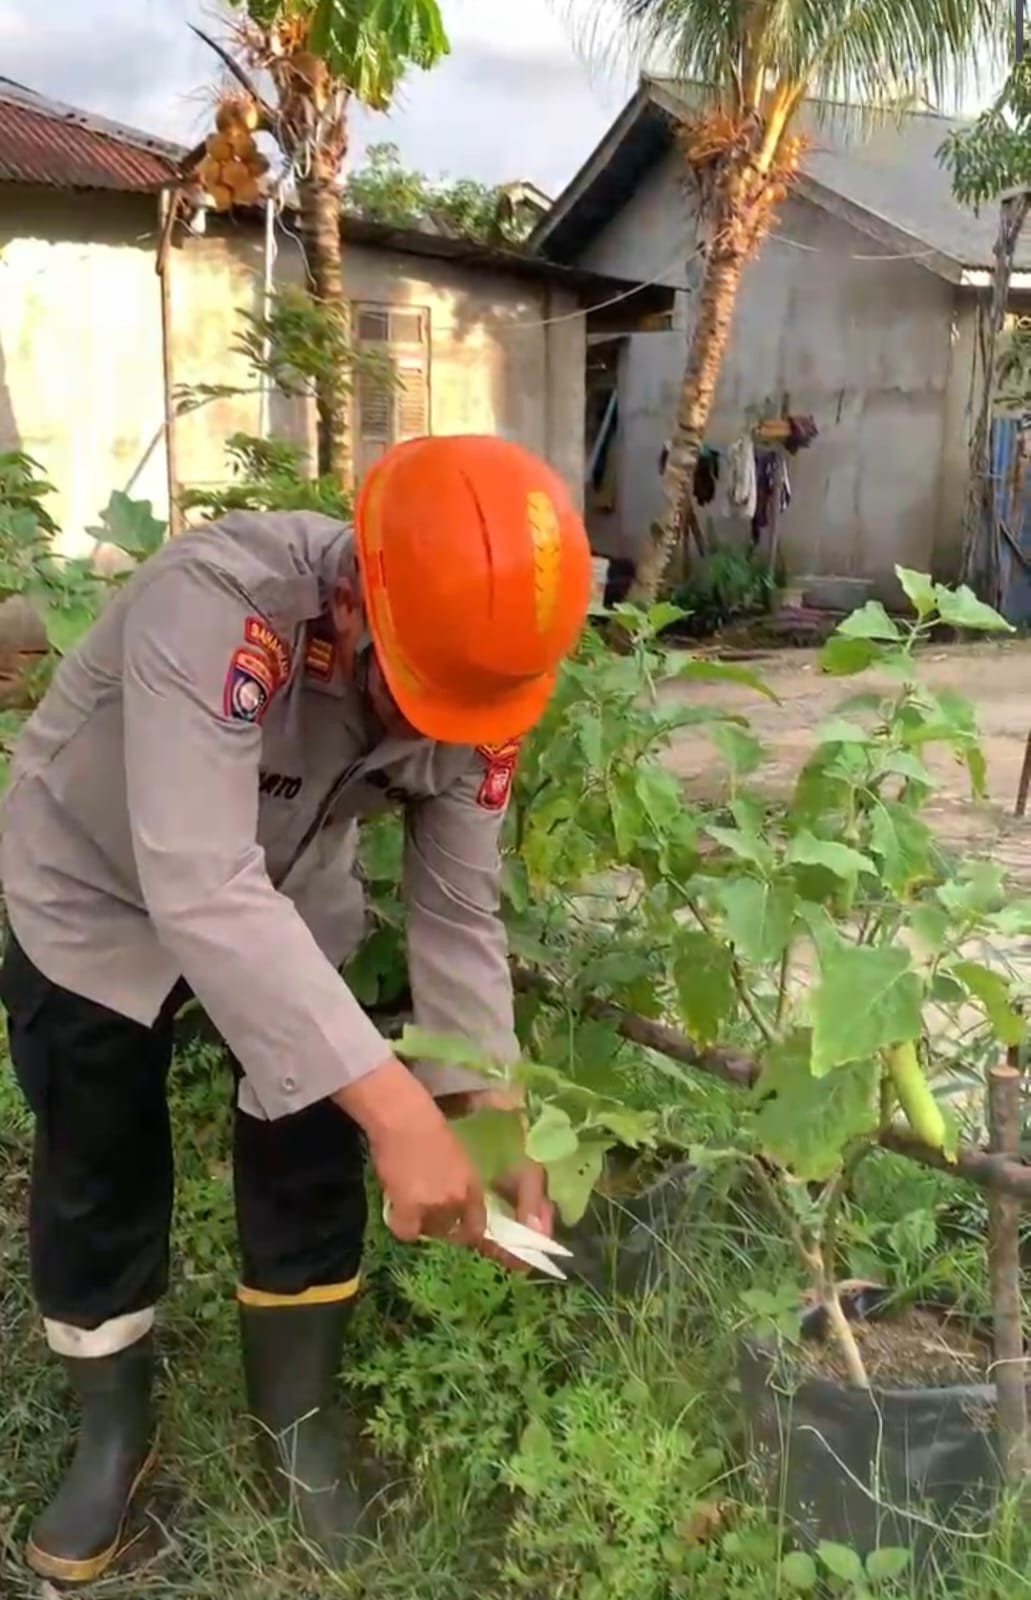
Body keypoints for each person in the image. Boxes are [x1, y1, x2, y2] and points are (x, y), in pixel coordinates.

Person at [0, 433, 592, 1583]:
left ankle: (296, 1419)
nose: (438, 733)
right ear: (352, 602)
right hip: (97, 881)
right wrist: (394, 1107)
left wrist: (481, 1110)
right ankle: (112, 1428)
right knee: (97, 1155)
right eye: (418, 695)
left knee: (310, 1132)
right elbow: (196, 881)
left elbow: (460, 913)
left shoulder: (481, 684)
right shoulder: (218, 610)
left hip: (284, 878)